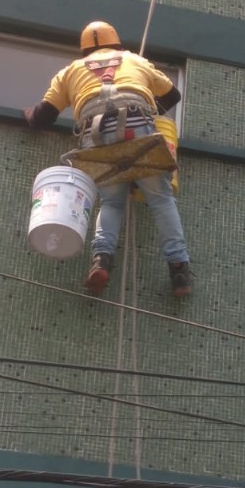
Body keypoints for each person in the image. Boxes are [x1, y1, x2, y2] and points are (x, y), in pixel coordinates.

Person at [24, 21, 193, 298]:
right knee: (161, 199)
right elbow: (172, 95)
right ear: (115, 43)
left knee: (112, 202)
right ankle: (179, 270)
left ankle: (101, 261)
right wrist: (148, 110)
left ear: (84, 50)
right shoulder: (135, 60)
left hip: (95, 135)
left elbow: (42, 117)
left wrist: (28, 113)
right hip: (137, 125)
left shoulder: (70, 71)